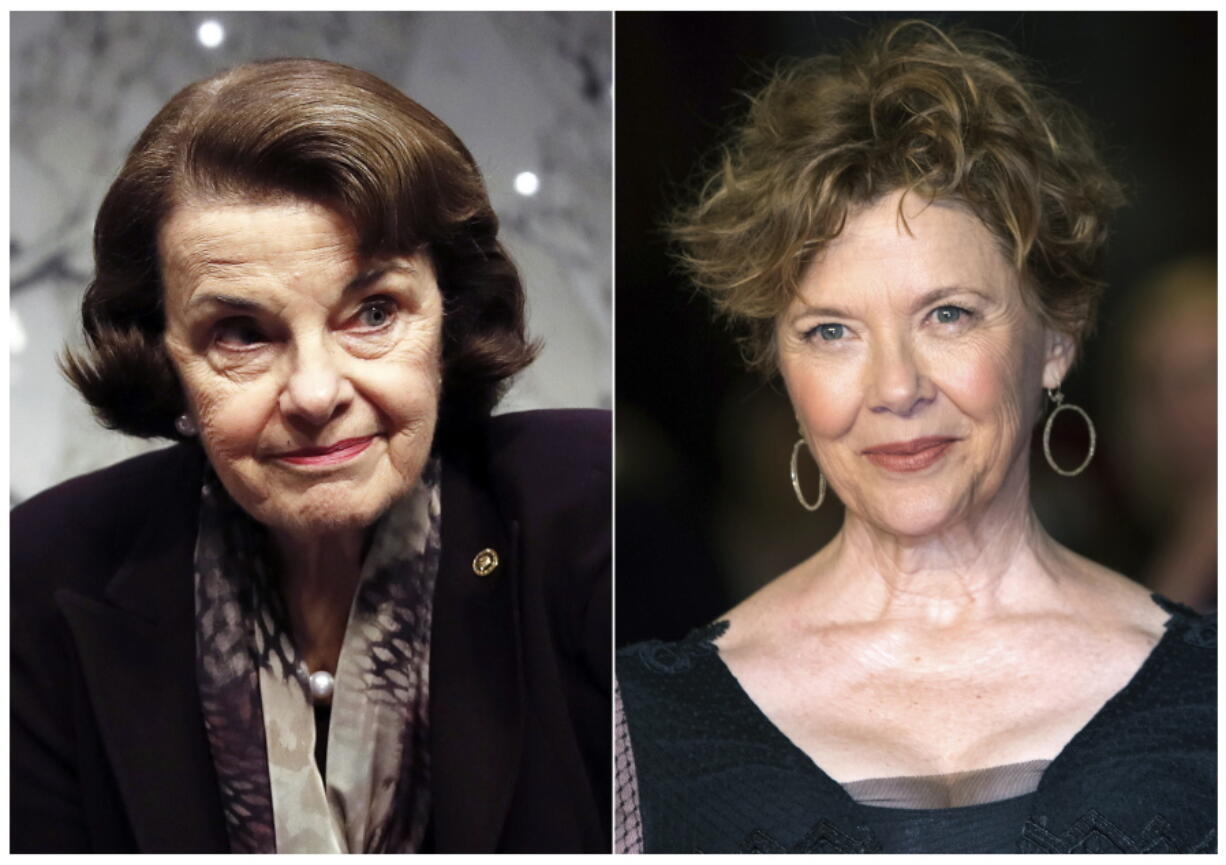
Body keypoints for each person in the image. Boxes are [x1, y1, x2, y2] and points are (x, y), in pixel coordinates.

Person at [615, 20, 1215, 854]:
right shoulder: (634, 723)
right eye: (830, 331)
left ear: (1058, 337)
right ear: (778, 367)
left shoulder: (1208, 691)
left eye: (948, 315)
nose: (895, 388)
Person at [12, 58, 610, 854]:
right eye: (242, 333)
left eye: (372, 311)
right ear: (164, 362)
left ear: (449, 318)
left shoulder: (589, 512)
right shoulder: (44, 571)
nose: (316, 392)